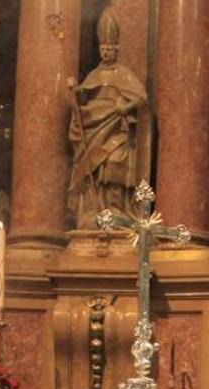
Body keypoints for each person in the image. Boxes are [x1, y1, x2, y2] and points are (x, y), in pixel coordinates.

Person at [66, 7, 147, 229]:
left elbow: (142, 97)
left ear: (117, 49)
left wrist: (125, 107)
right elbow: (83, 98)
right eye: (103, 48)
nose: (105, 53)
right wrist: (76, 92)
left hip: (117, 129)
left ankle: (116, 209)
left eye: (110, 49)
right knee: (95, 169)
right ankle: (95, 210)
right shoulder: (94, 75)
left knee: (114, 166)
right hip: (95, 129)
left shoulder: (123, 74)